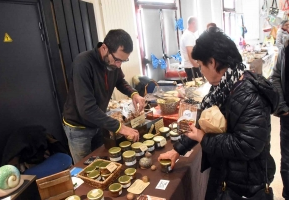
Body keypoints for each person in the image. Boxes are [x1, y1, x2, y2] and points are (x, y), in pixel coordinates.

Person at [159, 27, 278, 199]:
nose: (201, 70)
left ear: (213, 63)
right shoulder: (223, 88)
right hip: (224, 174)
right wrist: (177, 150)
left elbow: (247, 146)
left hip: (245, 185)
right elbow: (203, 122)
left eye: (200, 65)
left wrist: (203, 138)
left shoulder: (250, 96)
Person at [62, 29, 145, 164]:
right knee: (86, 168)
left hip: (98, 122)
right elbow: (87, 109)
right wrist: (121, 128)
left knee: (103, 161)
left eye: (123, 61)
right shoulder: (83, 63)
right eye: (117, 60)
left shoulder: (113, 63)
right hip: (79, 128)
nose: (119, 65)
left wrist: (133, 93)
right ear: (104, 47)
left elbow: (120, 81)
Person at [270, 37, 289, 200]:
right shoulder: (286, 49)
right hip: (288, 119)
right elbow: (275, 76)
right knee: (288, 163)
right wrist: (282, 107)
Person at [179, 16, 202, 81]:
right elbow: (190, 53)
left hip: (192, 66)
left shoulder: (190, 34)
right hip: (191, 67)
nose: (198, 26)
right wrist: (197, 65)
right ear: (193, 23)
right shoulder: (188, 35)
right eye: (198, 24)